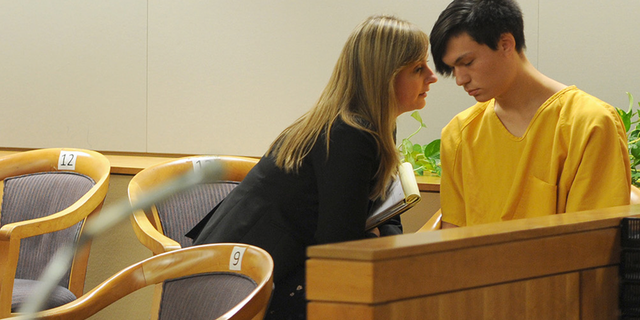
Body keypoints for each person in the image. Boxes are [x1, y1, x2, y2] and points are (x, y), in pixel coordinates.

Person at [186, 15, 438, 319]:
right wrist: (383, 245)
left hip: (268, 266)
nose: (432, 76)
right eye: (417, 69)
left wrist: (387, 239)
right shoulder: (351, 135)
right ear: (383, 76)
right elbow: (337, 246)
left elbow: (382, 207)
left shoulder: (372, 127)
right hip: (236, 283)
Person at [429, 0, 630, 228]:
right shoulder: (459, 134)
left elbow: (593, 243)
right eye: (452, 69)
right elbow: (453, 246)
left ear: (506, 44)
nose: (460, 79)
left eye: (467, 62)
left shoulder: (589, 124)